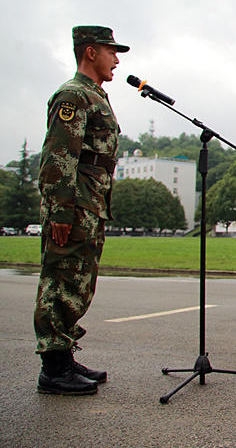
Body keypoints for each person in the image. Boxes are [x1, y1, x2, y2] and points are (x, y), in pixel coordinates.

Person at [34, 25, 129, 395]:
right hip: (73, 204)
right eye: (111, 51)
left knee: (79, 281)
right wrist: (60, 210)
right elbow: (59, 155)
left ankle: (64, 354)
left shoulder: (95, 95)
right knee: (61, 278)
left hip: (90, 203)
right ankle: (53, 368)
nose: (116, 59)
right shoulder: (73, 95)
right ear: (91, 52)